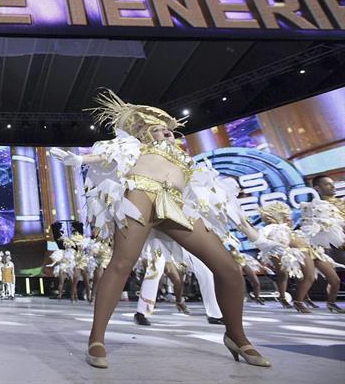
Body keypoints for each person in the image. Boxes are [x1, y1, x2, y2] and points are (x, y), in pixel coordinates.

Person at [53, 90, 270, 369]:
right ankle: (97, 339)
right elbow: (109, 154)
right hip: (140, 195)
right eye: (159, 131)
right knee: (121, 263)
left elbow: (218, 198)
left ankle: (236, 335)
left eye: (170, 132)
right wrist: (79, 160)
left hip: (176, 205)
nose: (168, 135)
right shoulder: (136, 148)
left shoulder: (187, 162)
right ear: (146, 134)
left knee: (227, 267)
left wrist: (255, 236)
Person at [299, 183, 345, 313]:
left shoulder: (333, 216)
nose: (332, 187)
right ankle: (298, 301)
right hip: (305, 250)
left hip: (318, 252)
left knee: (334, 280)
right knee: (308, 278)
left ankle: (331, 304)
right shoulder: (311, 210)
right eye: (328, 184)